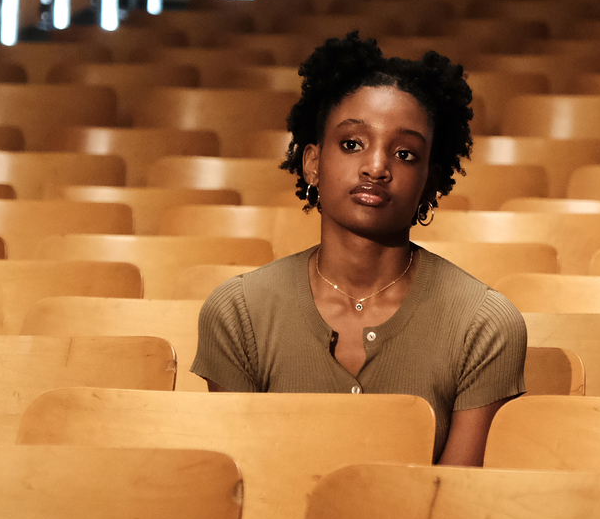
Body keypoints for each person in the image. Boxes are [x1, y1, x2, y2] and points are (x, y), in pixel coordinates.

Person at [192, 32, 527, 465]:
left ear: (429, 179)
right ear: (313, 162)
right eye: (352, 144)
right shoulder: (238, 313)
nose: (376, 166)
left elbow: (452, 504)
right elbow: (239, 486)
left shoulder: (484, 324)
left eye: (405, 153)